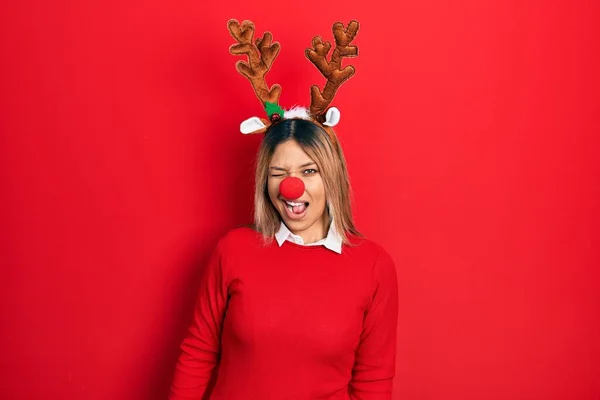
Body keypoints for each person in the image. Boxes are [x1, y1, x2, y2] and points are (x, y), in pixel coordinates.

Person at [168, 19, 398, 400]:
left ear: (332, 177)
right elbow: (197, 353)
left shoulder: (374, 266)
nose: (292, 186)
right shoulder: (234, 250)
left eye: (309, 171)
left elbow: (373, 382)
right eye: (279, 173)